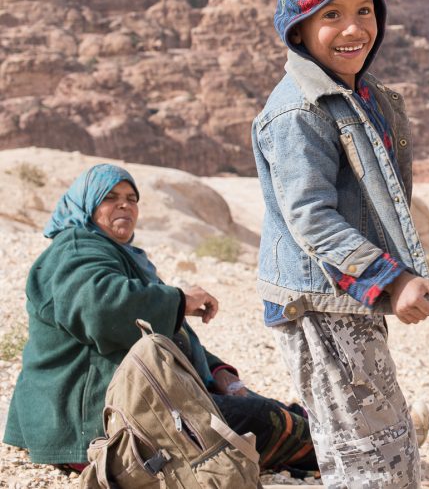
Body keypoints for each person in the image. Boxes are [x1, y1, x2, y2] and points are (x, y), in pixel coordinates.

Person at [253, 0, 429, 488]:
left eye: (365, 10)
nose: (354, 28)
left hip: (343, 297)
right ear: (299, 28)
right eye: (331, 14)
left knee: (375, 448)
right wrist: (391, 278)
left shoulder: (356, 94)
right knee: (371, 461)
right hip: (321, 302)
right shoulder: (298, 110)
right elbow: (310, 218)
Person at [2, 164, 318, 475]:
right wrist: (179, 300)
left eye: (131, 198)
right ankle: (331, 452)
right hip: (86, 423)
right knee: (258, 420)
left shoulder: (117, 255)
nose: (124, 204)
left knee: (261, 407)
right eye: (110, 197)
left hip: (132, 401)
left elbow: (166, 335)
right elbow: (102, 310)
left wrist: (219, 373)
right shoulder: (74, 250)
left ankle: (321, 440)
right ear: (86, 204)